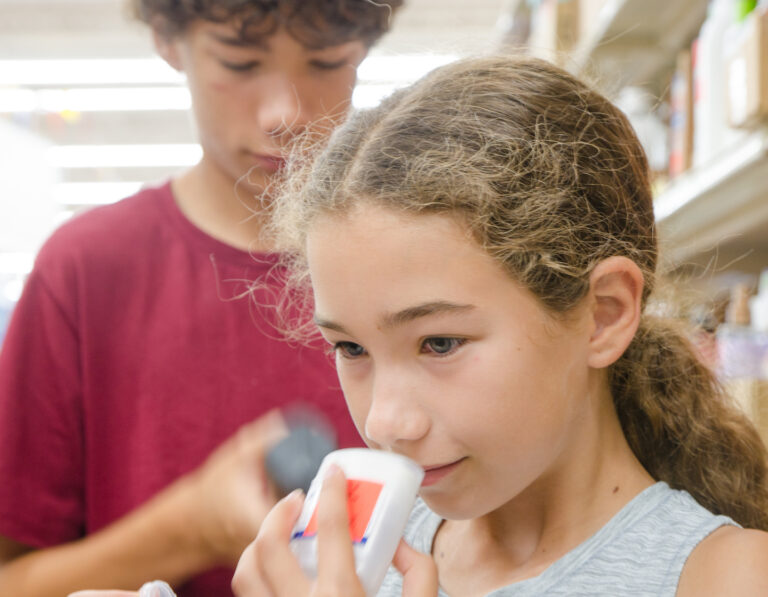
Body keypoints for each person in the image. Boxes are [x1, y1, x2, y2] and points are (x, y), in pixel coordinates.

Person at [222, 54, 768, 595]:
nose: (386, 425)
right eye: (351, 348)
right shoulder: (357, 559)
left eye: (439, 343)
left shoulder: (727, 578)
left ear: (604, 315)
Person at [0, 1, 403, 596]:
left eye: (326, 62)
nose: (284, 113)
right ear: (168, 38)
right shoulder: (88, 270)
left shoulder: (423, 268)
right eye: (239, 63)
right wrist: (191, 528)